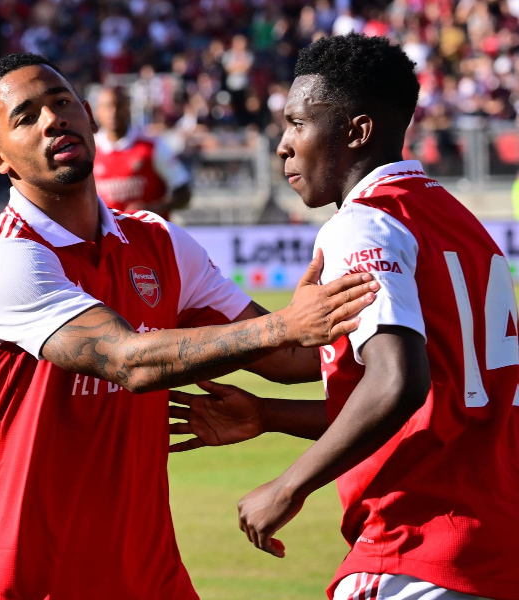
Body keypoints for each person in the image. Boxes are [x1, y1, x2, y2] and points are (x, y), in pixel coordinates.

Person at [0, 52, 380, 600]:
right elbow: (126, 360)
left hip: (148, 572)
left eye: (61, 103)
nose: (51, 120)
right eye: (26, 117)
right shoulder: (5, 259)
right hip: (33, 571)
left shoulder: (159, 243)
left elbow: (294, 362)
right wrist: (284, 325)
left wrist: (401, 329)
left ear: (87, 115)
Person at [170, 33, 519, 600]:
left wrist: (289, 486)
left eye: (297, 124)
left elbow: (397, 382)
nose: (282, 145)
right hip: (492, 547)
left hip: (415, 545)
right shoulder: (463, 225)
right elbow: (434, 400)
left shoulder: (364, 224)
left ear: (356, 132)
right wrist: (267, 414)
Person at [93, 84, 191, 220]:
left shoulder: (152, 146)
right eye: (107, 106)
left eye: (118, 105)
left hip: (151, 237)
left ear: (128, 108)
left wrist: (153, 209)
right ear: (97, 111)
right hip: (109, 239)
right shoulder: (90, 149)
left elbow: (184, 193)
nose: (113, 112)